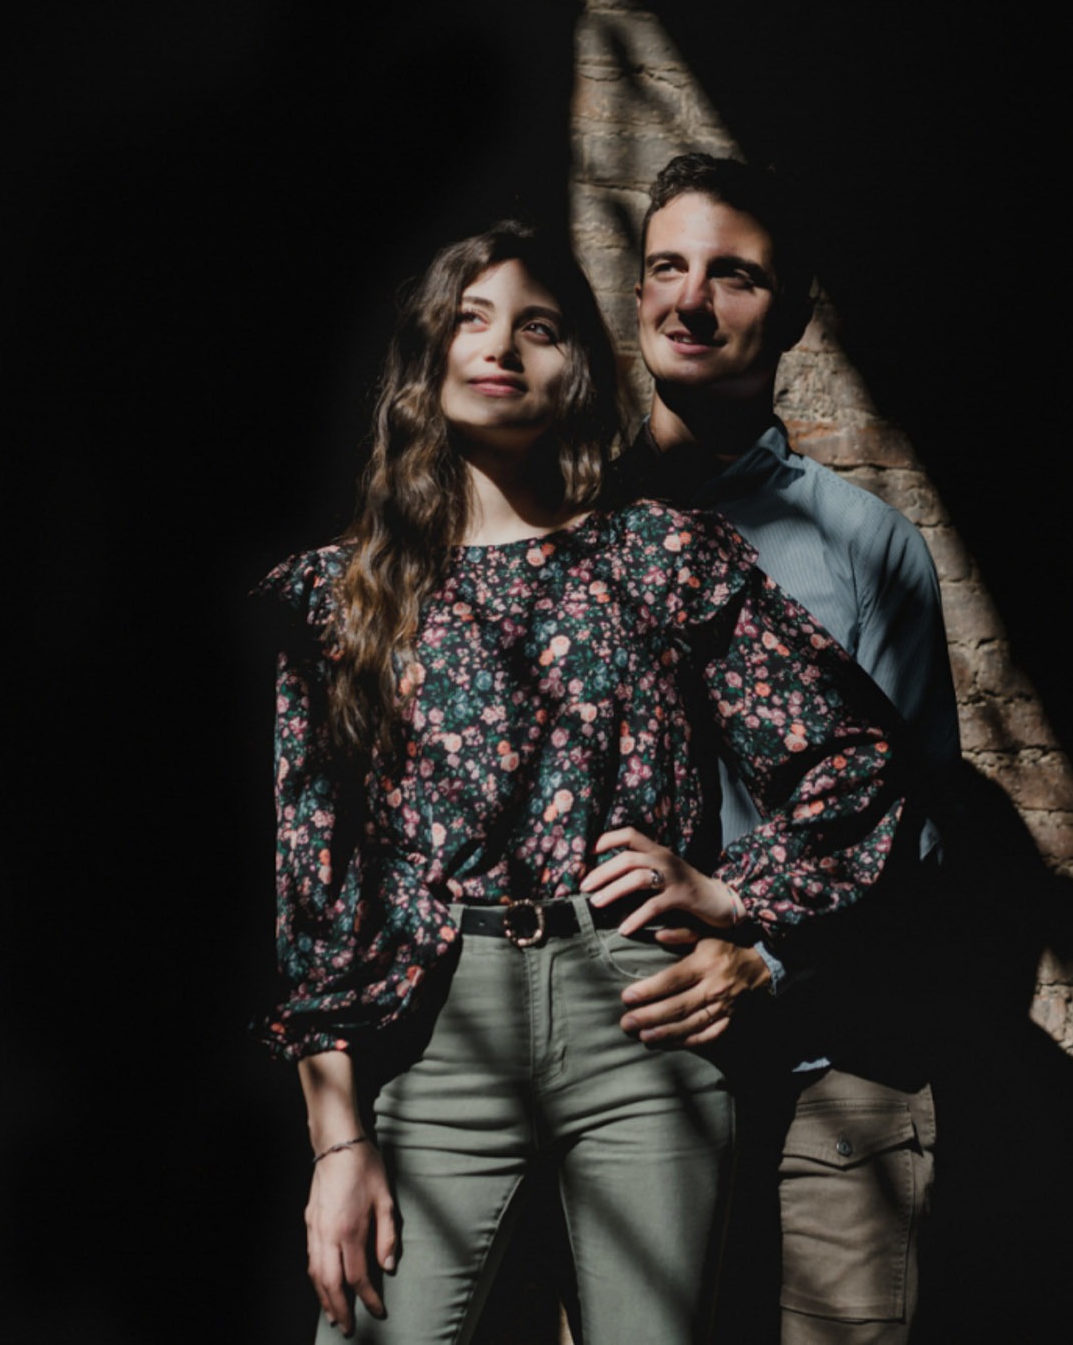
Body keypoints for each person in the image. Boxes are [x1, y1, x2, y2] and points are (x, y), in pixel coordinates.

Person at [253, 220, 911, 1345]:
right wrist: (338, 1143)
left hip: (638, 1020)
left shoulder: (655, 555)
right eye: (470, 318)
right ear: (425, 359)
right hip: (437, 1023)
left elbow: (855, 756)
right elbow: (320, 886)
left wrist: (739, 896)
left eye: (539, 325)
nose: (501, 345)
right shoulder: (337, 597)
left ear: (576, 373)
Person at [612, 154, 958, 1345]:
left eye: (733, 275)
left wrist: (768, 951)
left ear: (795, 311)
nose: (690, 300)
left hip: (839, 1063)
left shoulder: (866, 550)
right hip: (626, 1056)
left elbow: (917, 831)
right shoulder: (562, 524)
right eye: (667, 265)